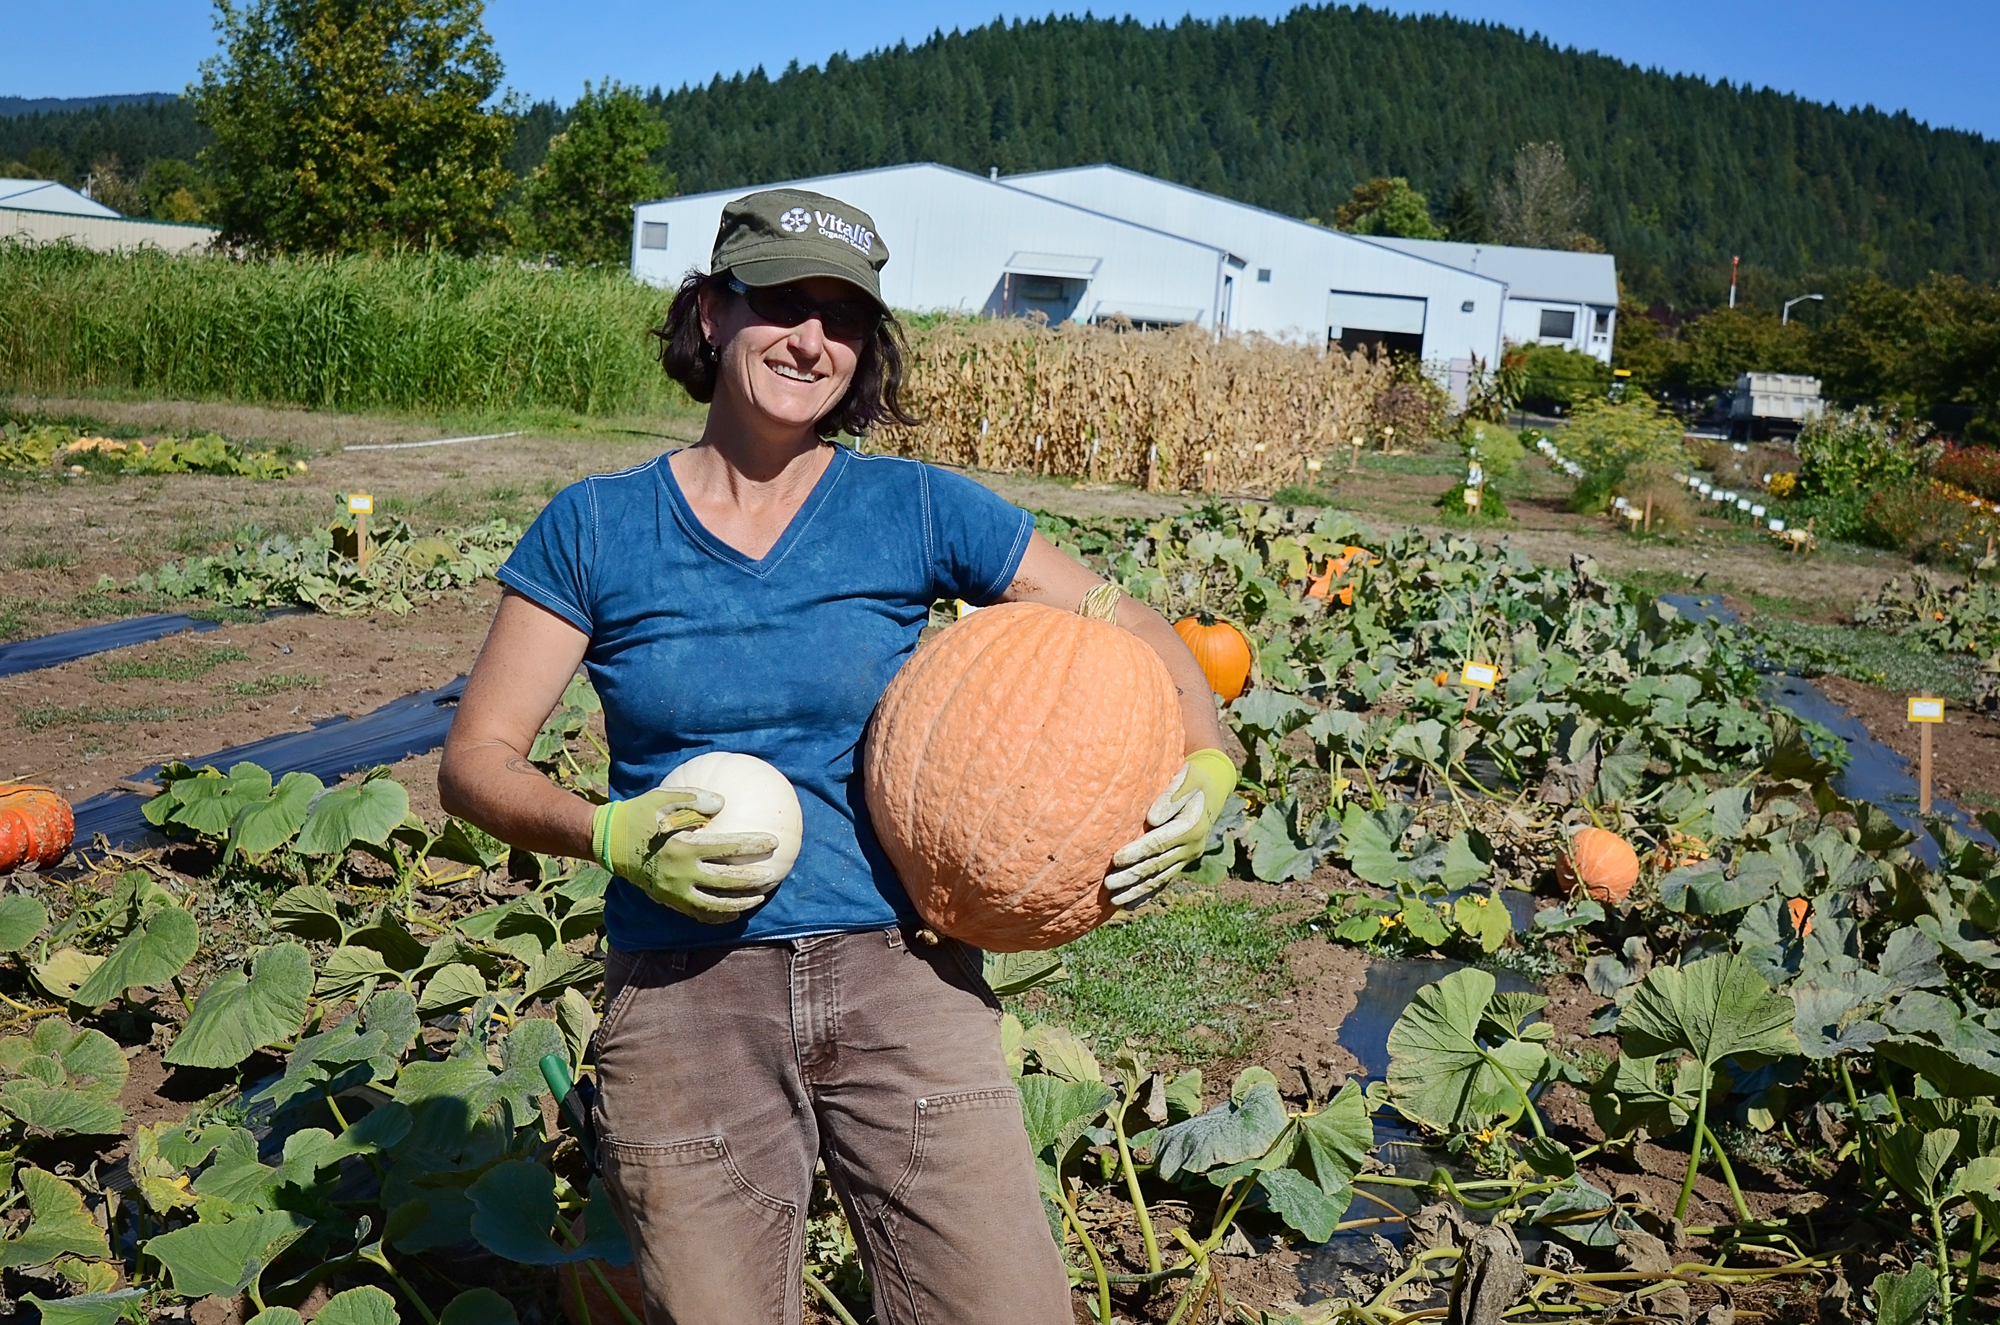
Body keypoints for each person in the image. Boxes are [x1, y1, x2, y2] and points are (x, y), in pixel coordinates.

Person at [438, 187, 1236, 1325]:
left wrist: (1208, 764)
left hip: (900, 978)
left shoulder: (912, 507)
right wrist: (607, 833)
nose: (811, 340)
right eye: (780, 302)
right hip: (683, 991)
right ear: (711, 313)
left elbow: (1137, 626)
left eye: (843, 317)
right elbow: (476, 761)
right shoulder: (595, 525)